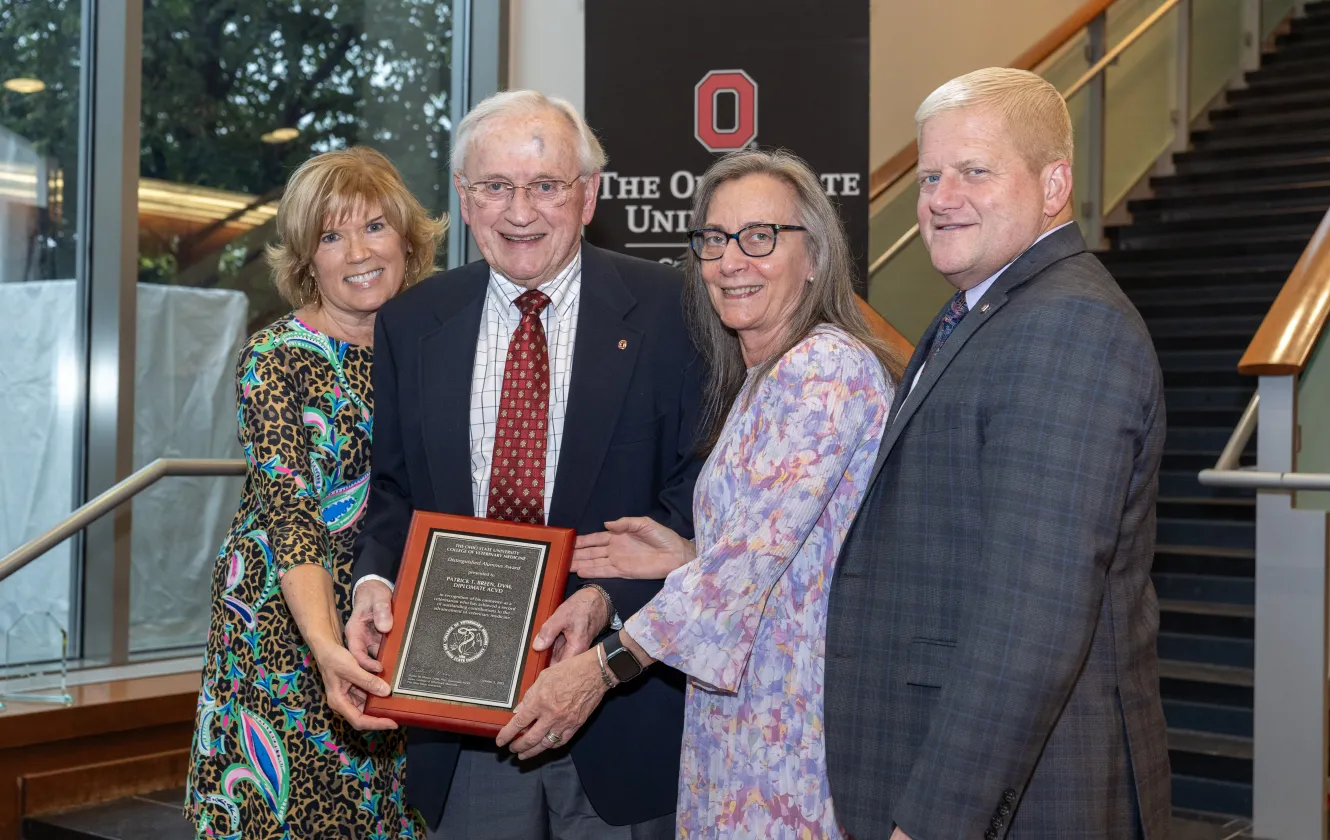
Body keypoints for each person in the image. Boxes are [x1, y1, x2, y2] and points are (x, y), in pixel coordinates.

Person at [495, 148, 905, 840]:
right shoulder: (761, 377)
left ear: (815, 258)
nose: (730, 260)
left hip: (797, 729)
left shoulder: (826, 369)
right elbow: (791, 555)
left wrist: (599, 670)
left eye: (760, 237)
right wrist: (688, 554)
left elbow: (745, 570)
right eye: (714, 240)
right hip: (744, 717)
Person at [342, 90, 703, 839]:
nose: (520, 211)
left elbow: (695, 487)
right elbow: (395, 492)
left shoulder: (675, 309)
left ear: (588, 194)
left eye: (544, 186)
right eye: (495, 187)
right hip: (460, 706)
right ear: (464, 201)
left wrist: (609, 597)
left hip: (617, 702)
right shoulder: (413, 323)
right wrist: (374, 584)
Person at [824, 67, 1171, 840]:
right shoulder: (979, 314)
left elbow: (1033, 616)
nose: (941, 198)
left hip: (1028, 797)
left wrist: (936, 820)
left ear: (1054, 187)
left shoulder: (1068, 327)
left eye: (974, 171)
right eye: (931, 175)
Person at [186, 146, 447, 839]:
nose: (356, 251)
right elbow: (292, 517)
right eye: (331, 236)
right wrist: (326, 647)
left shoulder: (434, 351)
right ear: (307, 258)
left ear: (408, 239)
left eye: (374, 227)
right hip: (285, 626)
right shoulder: (274, 358)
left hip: (393, 619)